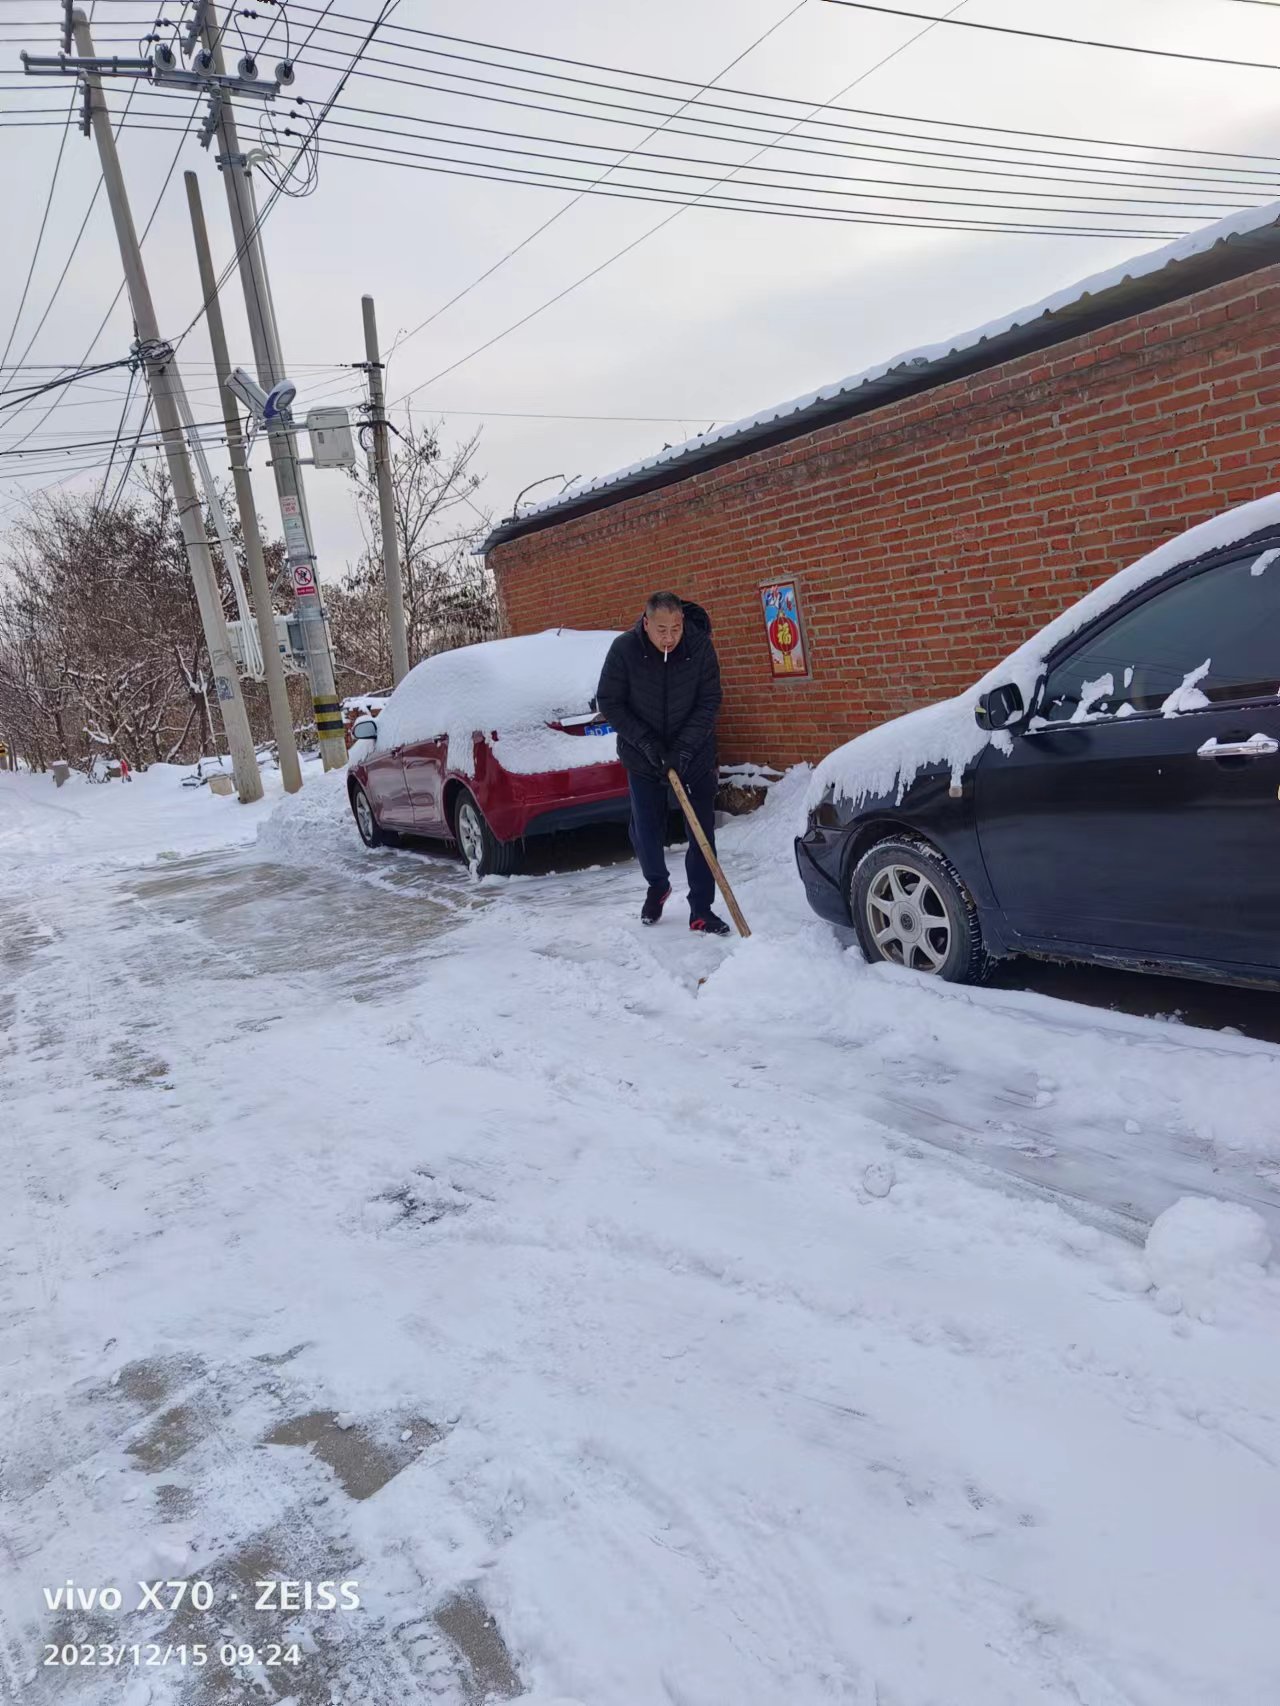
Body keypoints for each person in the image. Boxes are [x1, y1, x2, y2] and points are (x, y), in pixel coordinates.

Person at [597, 591, 730, 935]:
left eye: (675, 629)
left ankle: (701, 909)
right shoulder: (625, 650)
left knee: (701, 831)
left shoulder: (699, 648)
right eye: (661, 630)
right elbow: (610, 701)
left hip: (694, 754)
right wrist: (646, 743)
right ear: (646, 624)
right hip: (643, 757)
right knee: (646, 830)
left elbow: (709, 700)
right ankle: (657, 885)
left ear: (682, 622)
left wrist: (683, 749)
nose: (669, 637)